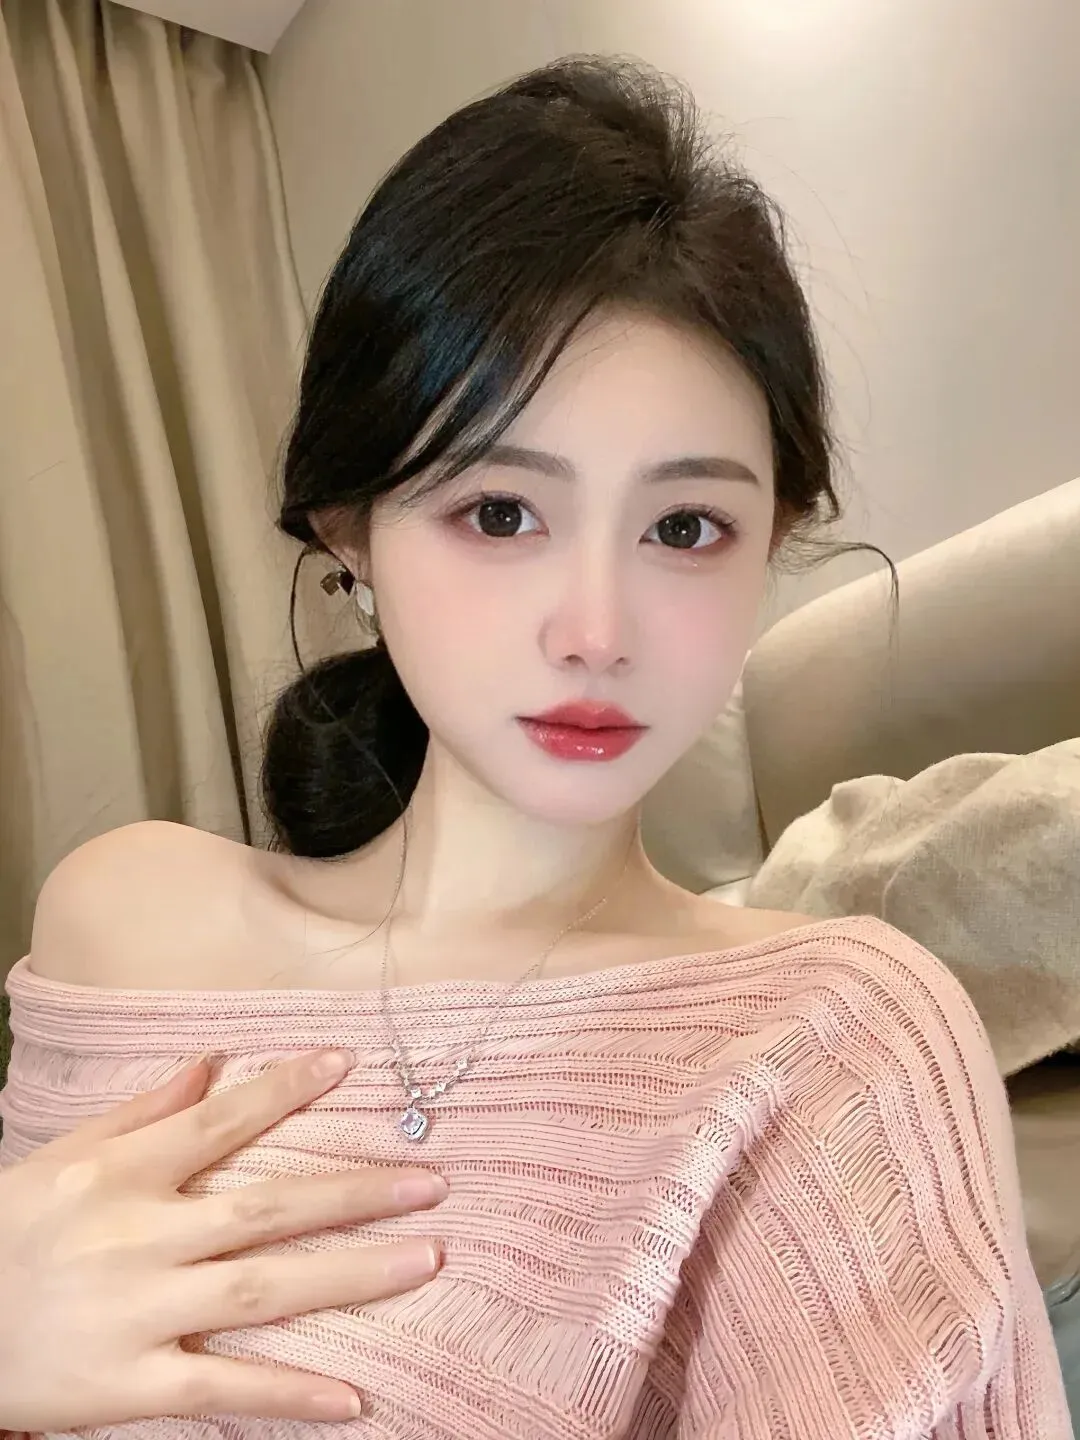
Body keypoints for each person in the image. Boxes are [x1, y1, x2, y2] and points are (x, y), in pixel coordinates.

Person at [0, 56, 1069, 1440]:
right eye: (501, 513)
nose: (596, 632)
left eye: (685, 528)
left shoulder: (830, 1046)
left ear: (772, 543)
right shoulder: (123, 914)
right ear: (350, 532)